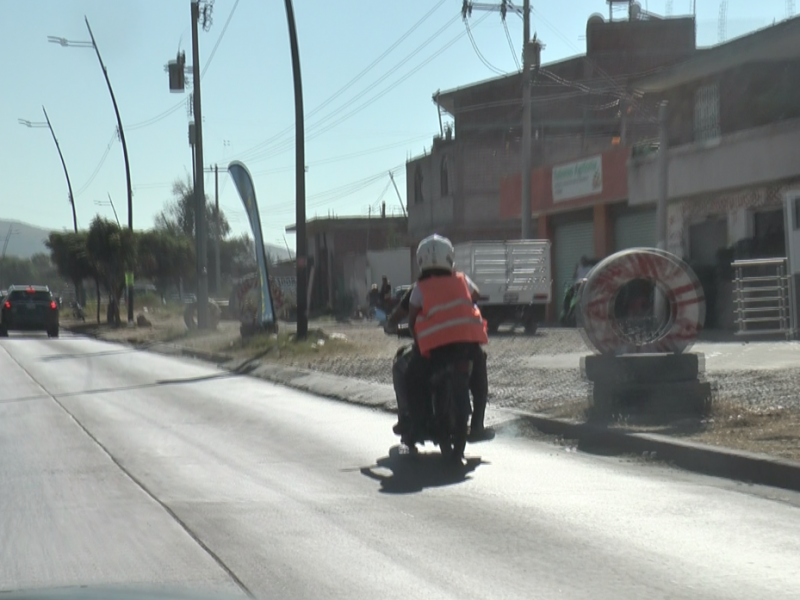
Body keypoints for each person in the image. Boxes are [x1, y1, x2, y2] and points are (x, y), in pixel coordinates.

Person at [386, 234, 490, 442]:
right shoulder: (462, 280)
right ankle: (478, 422)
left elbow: (411, 319)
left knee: (411, 377)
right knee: (479, 371)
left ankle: (415, 423)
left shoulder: (420, 288)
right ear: (450, 257)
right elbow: (476, 295)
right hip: (467, 346)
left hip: (434, 350)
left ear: (420, 261)